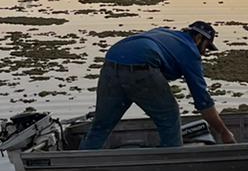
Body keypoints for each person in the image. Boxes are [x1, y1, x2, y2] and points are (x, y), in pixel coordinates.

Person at [79, 20, 237, 150]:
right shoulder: (190, 51)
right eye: (206, 47)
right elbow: (203, 101)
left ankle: (81, 164)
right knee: (169, 116)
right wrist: (223, 132)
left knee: (102, 124)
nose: (204, 53)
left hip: (111, 63)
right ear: (198, 39)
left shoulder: (165, 33)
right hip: (142, 66)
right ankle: (171, 161)